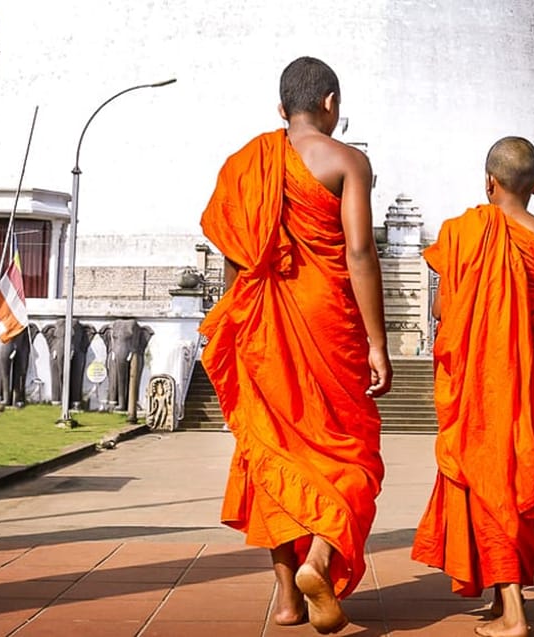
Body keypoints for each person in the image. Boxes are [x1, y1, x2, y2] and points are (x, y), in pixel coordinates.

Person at [199, 56, 391, 635]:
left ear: (282, 109)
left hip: (262, 326)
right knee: (350, 453)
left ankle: (286, 600)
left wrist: (235, 330)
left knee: (271, 454)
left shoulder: (244, 166)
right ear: (330, 103)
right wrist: (378, 343)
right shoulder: (347, 161)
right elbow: (360, 253)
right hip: (328, 322)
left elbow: (233, 257)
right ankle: (321, 559)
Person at [411, 136, 534, 637]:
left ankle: (514, 615)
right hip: (522, 384)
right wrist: (522, 329)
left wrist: (487, 317)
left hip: (478, 386)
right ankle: (501, 600)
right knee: (515, 481)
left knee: (488, 484)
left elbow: (443, 310)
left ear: (489, 182)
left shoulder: (461, 234)